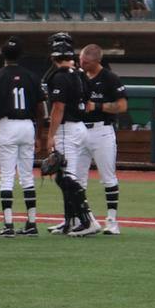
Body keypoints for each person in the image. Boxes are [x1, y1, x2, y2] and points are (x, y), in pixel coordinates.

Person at [0, 39, 42, 237]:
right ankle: (32, 223)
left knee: (7, 177)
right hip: (27, 125)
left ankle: (8, 225)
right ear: (20, 55)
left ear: (3, 55)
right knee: (27, 176)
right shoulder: (32, 76)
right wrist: (39, 135)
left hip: (7, 125)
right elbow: (40, 109)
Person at [70, 43, 127, 235]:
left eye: (86, 62)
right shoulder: (78, 76)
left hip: (101, 130)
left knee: (108, 177)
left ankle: (112, 221)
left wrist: (98, 106)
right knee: (77, 179)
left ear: (96, 61)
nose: (82, 64)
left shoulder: (110, 78)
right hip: (80, 130)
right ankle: (83, 219)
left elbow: (122, 105)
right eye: (81, 60)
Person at [42, 41, 95, 236]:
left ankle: (88, 221)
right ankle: (70, 221)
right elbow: (89, 103)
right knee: (66, 176)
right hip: (80, 127)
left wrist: (50, 135)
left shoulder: (59, 76)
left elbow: (58, 108)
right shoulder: (80, 74)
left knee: (66, 177)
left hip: (67, 128)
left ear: (54, 57)